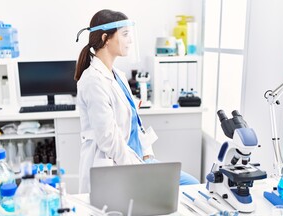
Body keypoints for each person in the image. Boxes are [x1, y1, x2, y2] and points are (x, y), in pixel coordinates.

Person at [75, 9, 198, 193]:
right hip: (116, 165)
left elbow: (135, 123)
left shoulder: (118, 76)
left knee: (192, 185)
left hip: (139, 158)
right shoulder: (94, 81)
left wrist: (147, 154)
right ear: (105, 38)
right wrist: (137, 168)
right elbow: (108, 139)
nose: (130, 40)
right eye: (125, 34)